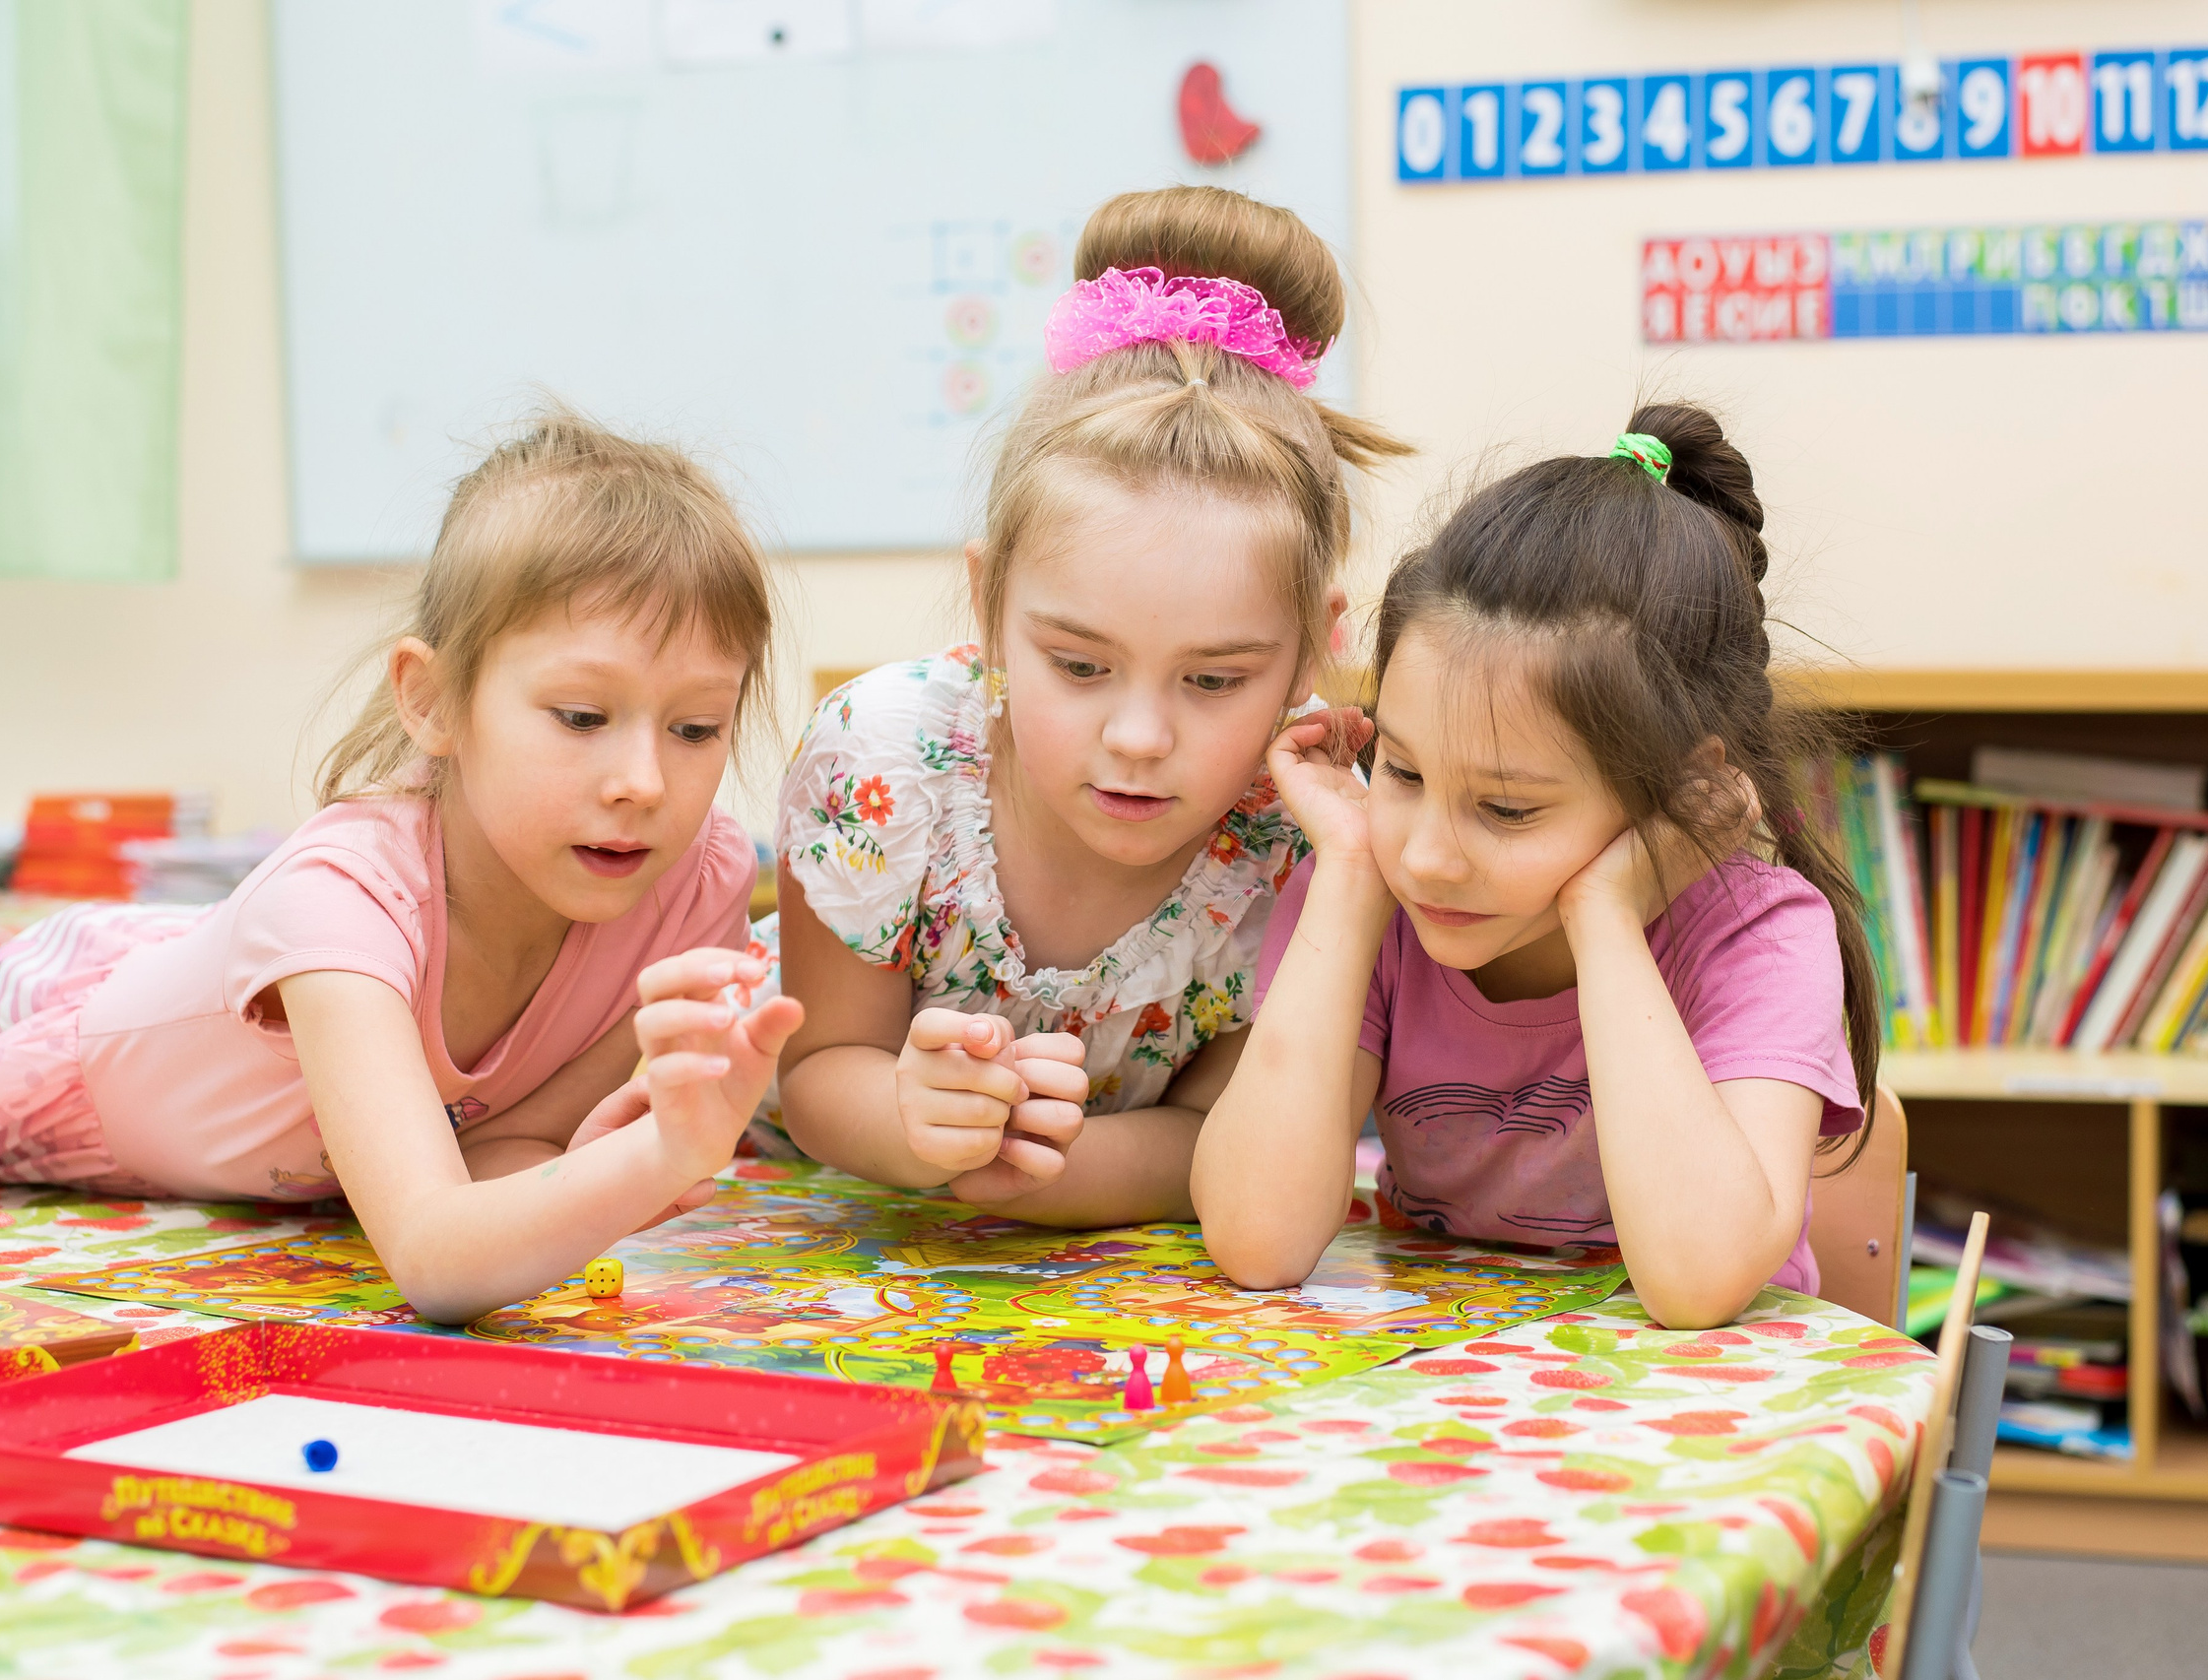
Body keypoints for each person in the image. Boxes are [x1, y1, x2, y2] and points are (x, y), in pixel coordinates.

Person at [0, 414, 801, 1323]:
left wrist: (595, 1166)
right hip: (65, 1096)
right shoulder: (336, 903)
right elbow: (435, 1258)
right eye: (580, 717)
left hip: (292, 1171)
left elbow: (496, 1148)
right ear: (432, 700)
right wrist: (658, 1155)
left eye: (696, 728)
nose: (643, 782)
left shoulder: (691, 881)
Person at [769, 186, 1409, 1225]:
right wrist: (910, 1119)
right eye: (1078, 665)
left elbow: (1227, 1131)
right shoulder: (880, 760)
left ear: (1312, 645)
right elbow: (820, 1067)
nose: (1139, 738)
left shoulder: (1301, 837)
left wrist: (1029, 1171)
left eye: (1213, 681)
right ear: (988, 602)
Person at [1194, 404, 1878, 1330]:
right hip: (1446, 1384)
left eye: (1508, 810)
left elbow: (1697, 1283)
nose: (1426, 858)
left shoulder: (1760, 934)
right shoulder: (1369, 890)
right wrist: (1350, 872)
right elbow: (1255, 1239)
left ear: (1682, 790)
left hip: (1693, 1401)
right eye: (1402, 772)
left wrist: (1606, 918)